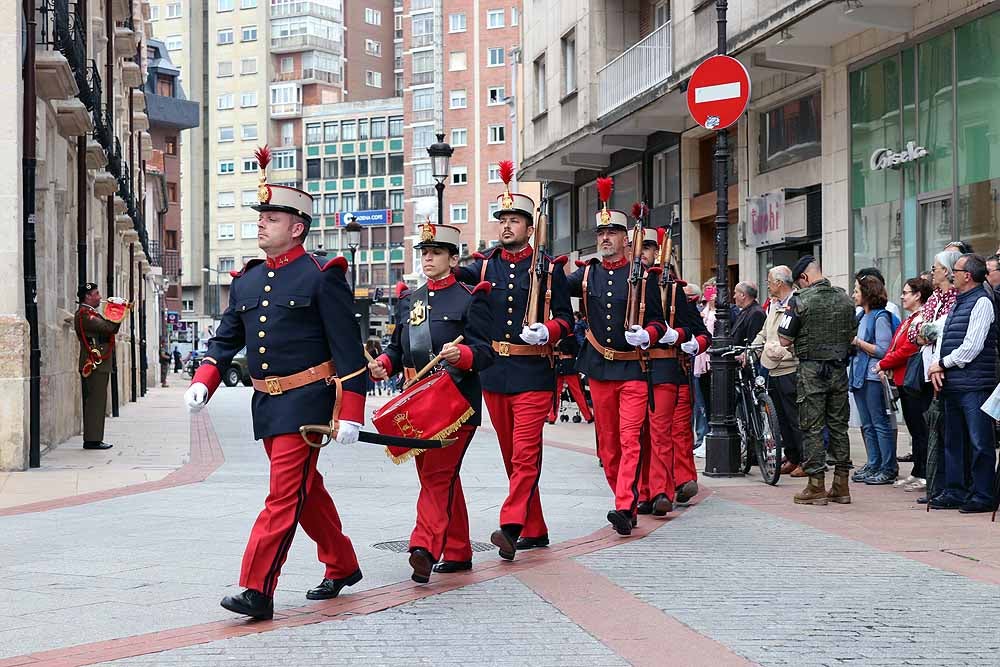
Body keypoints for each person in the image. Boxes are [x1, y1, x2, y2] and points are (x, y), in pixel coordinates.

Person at [185, 150, 367, 620]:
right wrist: (205, 381)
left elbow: (348, 351)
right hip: (266, 402)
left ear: (298, 227)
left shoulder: (323, 277)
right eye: (261, 216)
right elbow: (226, 339)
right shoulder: (246, 281)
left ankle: (256, 588)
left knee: (283, 495)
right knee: (307, 490)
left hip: (308, 402)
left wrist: (350, 412)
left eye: (272, 216)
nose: (262, 223)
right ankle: (342, 562)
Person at [454, 165, 572, 562]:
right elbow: (453, 281)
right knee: (511, 457)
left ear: (529, 227)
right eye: (502, 220)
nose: (506, 227)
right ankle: (535, 529)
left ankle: (510, 525)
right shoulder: (485, 265)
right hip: (494, 374)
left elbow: (567, 322)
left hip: (533, 372)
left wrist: (550, 331)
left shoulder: (549, 268)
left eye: (514, 220)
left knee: (525, 455)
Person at [370, 222, 495, 582]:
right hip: (418, 403)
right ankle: (457, 549)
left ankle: (423, 545)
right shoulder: (411, 300)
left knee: (438, 475)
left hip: (456, 404)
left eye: (436, 252)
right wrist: (384, 364)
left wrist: (463, 355)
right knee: (440, 477)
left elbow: (486, 353)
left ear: (453, 258)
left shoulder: (472, 297)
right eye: (424, 252)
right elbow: (398, 348)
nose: (427, 258)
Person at [566, 177, 670, 535]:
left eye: (612, 233)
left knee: (629, 440)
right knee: (608, 447)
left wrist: (649, 334)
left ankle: (624, 505)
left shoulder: (642, 277)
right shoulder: (587, 275)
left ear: (627, 239)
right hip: (599, 367)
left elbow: (658, 321)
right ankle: (624, 496)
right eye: (601, 234)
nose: (605, 239)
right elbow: (547, 288)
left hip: (633, 369)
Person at [635, 228, 709, 513]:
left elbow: (700, 333)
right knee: (638, 437)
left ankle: (672, 484)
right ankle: (646, 490)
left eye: (648, 247)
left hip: (669, 366)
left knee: (671, 432)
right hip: (633, 368)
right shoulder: (622, 284)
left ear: (657, 252)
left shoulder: (674, 289)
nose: (642, 252)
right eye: (637, 247)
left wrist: (681, 339)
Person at [778, 256, 857, 506]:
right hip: (838, 369)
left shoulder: (799, 301)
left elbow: (783, 339)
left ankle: (816, 485)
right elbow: (852, 334)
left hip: (811, 370)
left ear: (804, 278)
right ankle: (841, 485)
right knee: (838, 426)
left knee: (812, 426)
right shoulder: (845, 299)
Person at [926, 254, 997, 513]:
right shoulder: (958, 302)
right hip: (954, 384)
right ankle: (955, 490)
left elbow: (971, 348)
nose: (950, 274)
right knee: (953, 441)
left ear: (967, 275)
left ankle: (983, 494)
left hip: (975, 386)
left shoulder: (982, 302)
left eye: (954, 270)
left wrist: (942, 364)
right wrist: (936, 367)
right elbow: (941, 337)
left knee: (980, 442)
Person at [908, 251, 960, 504]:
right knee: (932, 430)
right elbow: (915, 331)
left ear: (949, 271)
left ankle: (948, 486)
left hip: (945, 370)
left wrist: (928, 332)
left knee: (946, 431)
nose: (932, 271)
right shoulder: (935, 297)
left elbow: (944, 330)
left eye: (937, 267)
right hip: (928, 369)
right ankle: (935, 485)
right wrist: (927, 332)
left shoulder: (955, 297)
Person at [876, 277, 932, 492]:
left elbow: (908, 349)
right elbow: (896, 345)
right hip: (904, 379)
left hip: (914, 380)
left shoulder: (921, 319)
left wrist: (883, 363)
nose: (902, 296)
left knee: (920, 429)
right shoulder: (911, 319)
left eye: (907, 292)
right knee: (914, 429)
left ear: (918, 295)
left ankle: (924, 473)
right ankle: (918, 471)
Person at [752, 266, 805, 476]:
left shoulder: (796, 302)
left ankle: (805, 459)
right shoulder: (774, 306)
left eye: (770, 281)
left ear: (779, 283)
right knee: (781, 418)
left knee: (795, 418)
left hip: (790, 368)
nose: (768, 285)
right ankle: (792, 456)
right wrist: (752, 352)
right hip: (772, 367)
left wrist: (787, 353)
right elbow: (764, 333)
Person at [849, 275, 898, 485]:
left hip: (872, 377)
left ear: (867, 294)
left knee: (879, 423)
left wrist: (857, 342)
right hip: (860, 376)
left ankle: (887, 466)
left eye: (857, 291)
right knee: (867, 424)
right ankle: (874, 462)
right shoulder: (861, 316)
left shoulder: (880, 317)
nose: (853, 295)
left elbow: (883, 350)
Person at [75, 282, 122, 451]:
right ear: (87, 296)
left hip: (99, 363)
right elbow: (108, 328)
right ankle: (92, 440)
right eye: (96, 293)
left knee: (99, 402)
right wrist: (118, 310)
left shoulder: (90, 313)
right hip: (93, 364)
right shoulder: (84, 314)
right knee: (95, 402)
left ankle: (95, 438)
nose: (100, 297)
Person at [548, 334, 594, 424]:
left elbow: (575, 351)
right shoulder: (559, 338)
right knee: (558, 393)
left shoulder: (570, 338)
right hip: (563, 365)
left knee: (576, 392)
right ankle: (552, 417)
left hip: (566, 365)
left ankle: (587, 416)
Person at [692, 286, 716, 457]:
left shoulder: (721, 313)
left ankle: (707, 436)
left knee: (709, 402)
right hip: (700, 362)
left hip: (712, 361)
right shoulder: (702, 312)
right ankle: (703, 437)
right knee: (701, 403)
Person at [731, 281, 766, 348]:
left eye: (735, 293)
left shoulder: (756, 313)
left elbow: (753, 341)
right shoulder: (744, 311)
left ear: (743, 295)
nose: (734, 297)